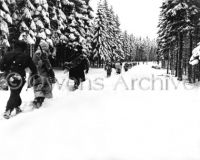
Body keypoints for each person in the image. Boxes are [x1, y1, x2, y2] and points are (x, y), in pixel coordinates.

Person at [0, 41, 37, 119]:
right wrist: (34, 74)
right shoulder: (26, 56)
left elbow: (1, 67)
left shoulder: (7, 54)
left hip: (8, 76)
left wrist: (7, 68)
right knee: (15, 93)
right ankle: (8, 110)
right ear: (23, 47)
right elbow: (33, 68)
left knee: (14, 92)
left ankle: (17, 107)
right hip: (19, 77)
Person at [31, 38, 56, 108]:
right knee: (47, 91)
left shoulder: (35, 54)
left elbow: (33, 65)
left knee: (38, 90)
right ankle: (44, 107)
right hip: (44, 75)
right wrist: (52, 75)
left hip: (35, 75)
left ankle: (37, 100)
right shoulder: (44, 54)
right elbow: (48, 66)